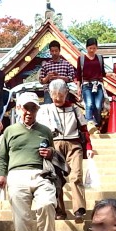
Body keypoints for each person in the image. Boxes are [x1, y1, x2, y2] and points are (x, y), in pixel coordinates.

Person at [0, 93, 57, 231]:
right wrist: (1, 175)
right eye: (26, 107)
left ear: (38, 109)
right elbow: (3, 157)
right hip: (16, 175)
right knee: (22, 217)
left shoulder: (45, 130)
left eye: (33, 107)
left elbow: (52, 153)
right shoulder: (10, 131)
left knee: (47, 204)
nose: (29, 111)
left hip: (41, 173)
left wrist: (50, 152)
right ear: (19, 108)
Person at [37, 79, 94, 221]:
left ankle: (79, 208)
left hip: (74, 144)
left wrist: (89, 147)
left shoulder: (75, 109)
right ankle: (59, 210)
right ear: (50, 94)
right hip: (54, 145)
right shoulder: (46, 110)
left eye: (60, 96)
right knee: (56, 179)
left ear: (66, 93)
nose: (57, 99)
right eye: (55, 96)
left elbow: (84, 129)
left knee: (76, 176)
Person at [80, 37, 106, 127]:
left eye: (94, 48)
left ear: (97, 48)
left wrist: (109, 75)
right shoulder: (81, 59)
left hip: (98, 85)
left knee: (98, 106)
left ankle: (98, 124)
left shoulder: (100, 58)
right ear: (86, 48)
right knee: (89, 104)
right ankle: (89, 124)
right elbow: (78, 75)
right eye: (90, 48)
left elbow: (103, 72)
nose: (92, 50)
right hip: (86, 85)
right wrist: (78, 87)